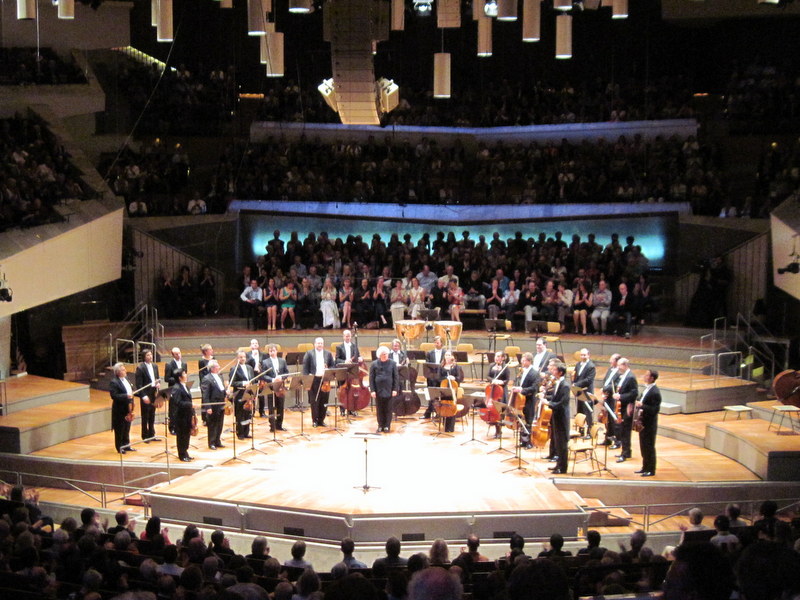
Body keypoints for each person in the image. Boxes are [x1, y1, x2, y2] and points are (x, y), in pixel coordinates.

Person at [302, 337, 335, 427]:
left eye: (321, 343)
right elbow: (305, 369)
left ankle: (321, 420)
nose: (320, 345)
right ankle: (315, 420)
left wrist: (328, 369)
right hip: (314, 380)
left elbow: (333, 366)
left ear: (323, 344)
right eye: (318, 343)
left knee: (324, 400)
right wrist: (307, 382)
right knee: (314, 401)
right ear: (315, 344)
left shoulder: (328, 354)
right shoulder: (309, 354)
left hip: (325, 380)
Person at [544, 361, 570, 474]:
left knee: (562, 444)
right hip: (556, 416)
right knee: (558, 443)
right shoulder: (558, 382)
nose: (552, 371)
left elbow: (562, 403)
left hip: (562, 417)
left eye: (554, 370)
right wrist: (548, 400)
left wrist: (548, 403)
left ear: (560, 372)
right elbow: (555, 398)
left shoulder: (565, 385)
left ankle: (562, 468)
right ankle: (558, 465)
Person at [635, 369, 661, 477]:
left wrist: (641, 405)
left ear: (652, 378)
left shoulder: (655, 392)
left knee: (649, 447)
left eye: (646, 375)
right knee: (643, 446)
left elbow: (654, 410)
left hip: (650, 424)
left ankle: (651, 469)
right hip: (643, 423)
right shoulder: (647, 389)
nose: (644, 376)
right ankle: (645, 467)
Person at [513, 352, 541, 449]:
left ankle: (528, 441)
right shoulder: (521, 371)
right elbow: (517, 381)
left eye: (524, 360)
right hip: (520, 400)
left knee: (528, 420)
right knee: (521, 419)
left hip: (529, 400)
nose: (522, 362)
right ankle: (523, 440)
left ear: (529, 361)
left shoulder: (535, 373)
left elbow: (534, 388)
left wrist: (521, 390)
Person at [612, 357, 638, 462]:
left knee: (626, 430)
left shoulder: (631, 377)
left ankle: (626, 452)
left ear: (625, 365)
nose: (618, 367)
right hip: (621, 407)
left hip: (627, 408)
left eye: (619, 365)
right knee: (622, 430)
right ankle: (625, 451)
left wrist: (620, 397)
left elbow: (634, 393)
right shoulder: (622, 376)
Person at [370, 346, 400, 433]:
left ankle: (387, 425)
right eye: (383, 354)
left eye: (386, 354)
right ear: (379, 355)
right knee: (379, 408)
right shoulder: (374, 364)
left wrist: (395, 389)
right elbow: (371, 378)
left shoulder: (393, 363)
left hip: (389, 389)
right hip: (378, 390)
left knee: (388, 408)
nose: (385, 355)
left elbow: (396, 377)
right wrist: (372, 390)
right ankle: (380, 425)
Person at [261, 344, 289, 432]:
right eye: (270, 351)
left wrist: (281, 378)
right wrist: (272, 379)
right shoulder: (265, 362)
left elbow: (286, 372)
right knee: (271, 407)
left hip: (280, 387)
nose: (272, 352)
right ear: (268, 352)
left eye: (273, 350)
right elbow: (263, 375)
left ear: (276, 351)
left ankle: (279, 425)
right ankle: (272, 425)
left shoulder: (282, 361)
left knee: (280, 406)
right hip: (271, 387)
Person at [228, 351, 255, 439]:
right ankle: (240, 433)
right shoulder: (234, 368)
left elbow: (252, 380)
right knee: (240, 415)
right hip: (239, 394)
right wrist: (243, 383)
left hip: (248, 394)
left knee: (248, 414)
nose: (242, 358)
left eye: (244, 357)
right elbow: (232, 383)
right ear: (237, 358)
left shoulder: (249, 368)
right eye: (240, 357)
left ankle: (246, 432)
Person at [482, 351, 510, 439]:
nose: (496, 358)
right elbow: (487, 376)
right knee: (493, 409)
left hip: (501, 391)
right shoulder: (491, 365)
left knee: (500, 410)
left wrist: (501, 382)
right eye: (496, 356)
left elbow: (507, 380)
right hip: (493, 391)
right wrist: (492, 380)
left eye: (498, 356)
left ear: (502, 358)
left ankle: (499, 430)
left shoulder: (505, 367)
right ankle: (494, 426)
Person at [134, 350, 160, 442]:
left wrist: (158, 384)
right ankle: (145, 436)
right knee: (145, 415)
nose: (150, 356)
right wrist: (143, 396)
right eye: (148, 355)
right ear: (144, 357)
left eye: (151, 354)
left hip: (153, 392)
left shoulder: (155, 366)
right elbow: (139, 384)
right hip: (146, 393)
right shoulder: (140, 368)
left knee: (152, 414)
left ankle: (152, 434)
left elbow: (157, 378)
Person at [109, 363, 134, 454]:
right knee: (120, 429)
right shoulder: (114, 382)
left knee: (127, 428)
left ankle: (126, 445)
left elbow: (130, 390)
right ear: (118, 372)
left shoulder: (126, 379)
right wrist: (126, 396)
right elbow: (114, 395)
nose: (125, 371)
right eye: (123, 370)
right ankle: (119, 447)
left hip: (128, 407)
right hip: (120, 409)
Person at [201, 359, 226, 450]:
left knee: (220, 423)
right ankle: (211, 442)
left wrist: (226, 393)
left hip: (221, 403)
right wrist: (208, 407)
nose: (219, 367)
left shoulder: (219, 376)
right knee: (212, 424)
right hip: (213, 404)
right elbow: (205, 395)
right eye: (217, 366)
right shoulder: (207, 379)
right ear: (212, 368)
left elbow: (221, 389)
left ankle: (217, 440)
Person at [172, 370, 195, 462]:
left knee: (186, 434)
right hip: (181, 416)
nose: (186, 375)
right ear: (179, 377)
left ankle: (185, 452)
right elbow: (178, 402)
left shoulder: (185, 386)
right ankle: (182, 455)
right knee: (181, 435)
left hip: (187, 414)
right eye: (184, 374)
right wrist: (190, 405)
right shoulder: (177, 388)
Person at [439, 350, 464, 433]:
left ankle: (450, 427)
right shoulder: (441, 366)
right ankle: (444, 424)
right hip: (443, 389)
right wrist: (445, 379)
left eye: (449, 355)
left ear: (452, 357)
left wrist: (454, 378)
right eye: (446, 355)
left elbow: (460, 378)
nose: (447, 356)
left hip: (453, 390)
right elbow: (438, 378)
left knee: (451, 406)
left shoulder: (456, 367)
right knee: (444, 405)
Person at [572, 347, 596, 430]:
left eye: (584, 355)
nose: (582, 357)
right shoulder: (578, 364)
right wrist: (573, 383)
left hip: (587, 391)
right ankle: (581, 430)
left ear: (588, 355)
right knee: (580, 410)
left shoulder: (591, 366)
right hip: (579, 391)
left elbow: (588, 380)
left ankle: (590, 431)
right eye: (581, 355)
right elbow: (575, 376)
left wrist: (577, 384)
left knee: (587, 411)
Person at [601, 353, 622, 447]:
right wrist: (604, 392)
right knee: (608, 420)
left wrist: (605, 389)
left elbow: (616, 385)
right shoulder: (610, 369)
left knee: (614, 420)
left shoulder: (620, 372)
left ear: (617, 362)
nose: (610, 361)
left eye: (612, 359)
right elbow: (605, 381)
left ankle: (618, 441)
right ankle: (608, 439)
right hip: (607, 397)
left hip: (613, 399)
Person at [422, 336, 446, 419]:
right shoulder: (429, 353)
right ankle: (429, 412)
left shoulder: (446, 353)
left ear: (442, 343)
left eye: (437, 342)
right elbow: (427, 364)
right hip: (432, 377)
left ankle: (439, 412)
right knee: (430, 395)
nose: (436, 344)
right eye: (435, 342)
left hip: (442, 377)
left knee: (440, 395)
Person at [165, 347, 184, 435]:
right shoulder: (169, 365)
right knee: (173, 409)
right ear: (173, 355)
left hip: (182, 388)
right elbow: (167, 378)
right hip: (173, 389)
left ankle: (180, 426)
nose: (179, 355)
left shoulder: (184, 364)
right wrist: (178, 379)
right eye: (176, 354)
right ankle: (172, 427)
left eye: (179, 353)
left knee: (181, 408)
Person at [247, 339, 266, 417]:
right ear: (250, 346)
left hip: (260, 375)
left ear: (258, 345)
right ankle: (252, 411)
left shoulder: (263, 355)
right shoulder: (247, 355)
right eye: (253, 343)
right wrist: (252, 357)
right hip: (252, 376)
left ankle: (262, 412)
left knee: (261, 394)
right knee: (253, 394)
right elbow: (247, 365)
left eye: (256, 343)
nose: (254, 344)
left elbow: (265, 365)